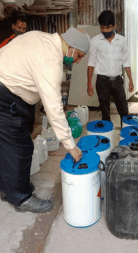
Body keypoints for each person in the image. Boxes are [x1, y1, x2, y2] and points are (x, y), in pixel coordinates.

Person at [0, 27, 90, 213]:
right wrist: (71, 145)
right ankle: (21, 198)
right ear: (70, 47)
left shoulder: (40, 36)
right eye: (79, 55)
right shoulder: (51, 60)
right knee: (20, 148)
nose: (78, 60)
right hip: (5, 96)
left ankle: (7, 188)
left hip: (8, 89)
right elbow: (54, 109)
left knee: (5, 145)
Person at [87, 10, 134, 126]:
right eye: (102, 28)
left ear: (114, 26)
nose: (105, 31)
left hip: (117, 80)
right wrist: (89, 83)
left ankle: (125, 134)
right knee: (105, 112)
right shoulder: (95, 41)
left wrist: (131, 80)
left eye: (108, 28)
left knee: (124, 110)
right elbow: (91, 63)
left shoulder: (122, 40)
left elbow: (126, 61)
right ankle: (108, 137)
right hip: (102, 81)